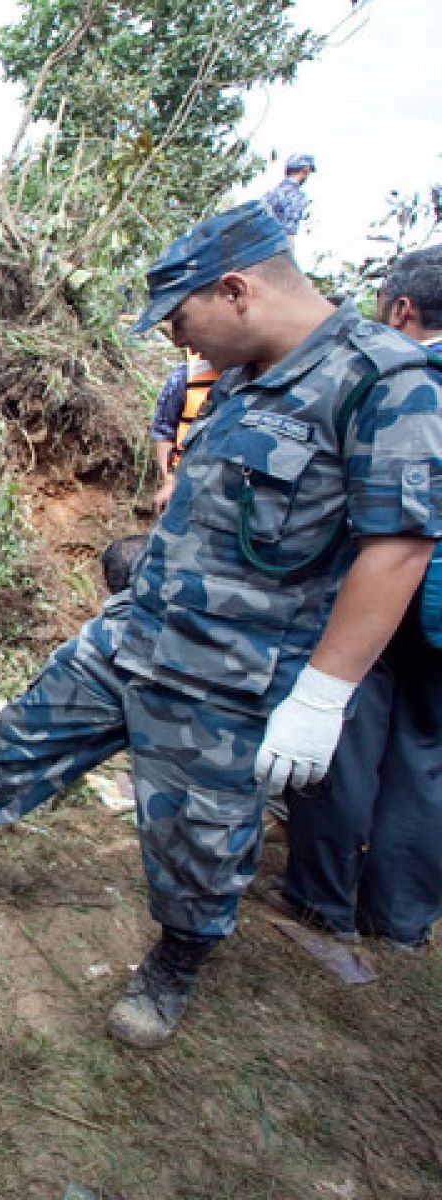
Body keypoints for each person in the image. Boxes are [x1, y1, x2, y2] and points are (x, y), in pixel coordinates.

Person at [0, 201, 442, 1048]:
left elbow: (398, 547)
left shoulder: (383, 384)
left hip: (231, 676)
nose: (178, 342)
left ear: (236, 289)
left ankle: (177, 958)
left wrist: (321, 697)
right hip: (138, 632)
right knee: (22, 733)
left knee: (199, 842)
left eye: (180, 319)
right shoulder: (248, 371)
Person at [262, 246, 442, 950]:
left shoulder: (403, 380)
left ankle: (321, 896)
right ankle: (400, 919)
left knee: (345, 733)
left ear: (402, 310)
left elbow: (393, 528)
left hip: (400, 596)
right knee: (427, 757)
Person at [148, 351, 220, 512]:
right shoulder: (185, 375)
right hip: (186, 482)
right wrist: (169, 480)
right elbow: (164, 431)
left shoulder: (262, 376)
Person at [261, 153, 316, 245]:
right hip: (276, 247)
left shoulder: (272, 192)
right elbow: (289, 230)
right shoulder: (297, 195)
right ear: (306, 169)